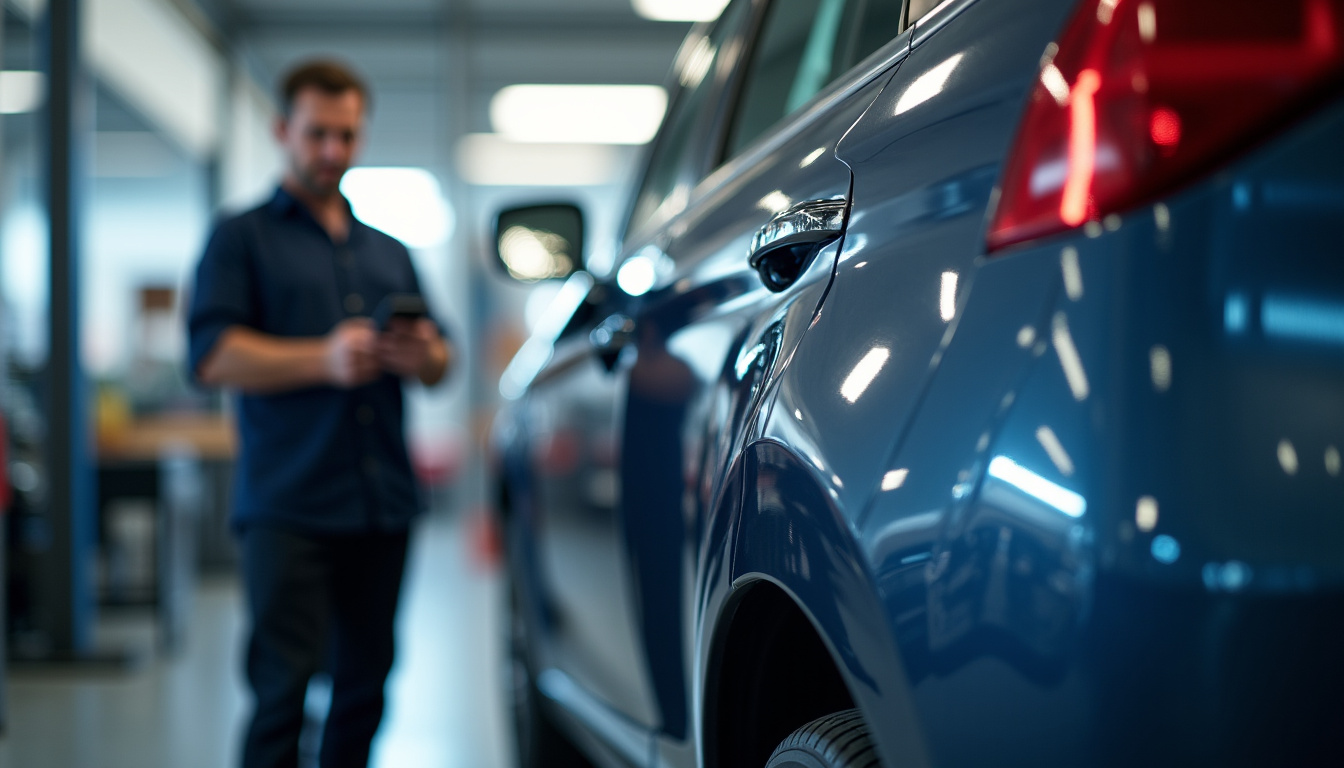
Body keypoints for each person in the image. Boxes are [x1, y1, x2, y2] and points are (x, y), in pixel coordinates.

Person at [186, 59, 452, 768]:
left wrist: (423, 353)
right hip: (289, 504)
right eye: (317, 134)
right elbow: (211, 356)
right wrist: (323, 359)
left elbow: (442, 363)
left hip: (381, 504)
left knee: (365, 690)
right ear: (283, 130)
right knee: (283, 690)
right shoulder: (240, 238)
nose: (332, 150)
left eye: (347, 135)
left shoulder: (388, 251)